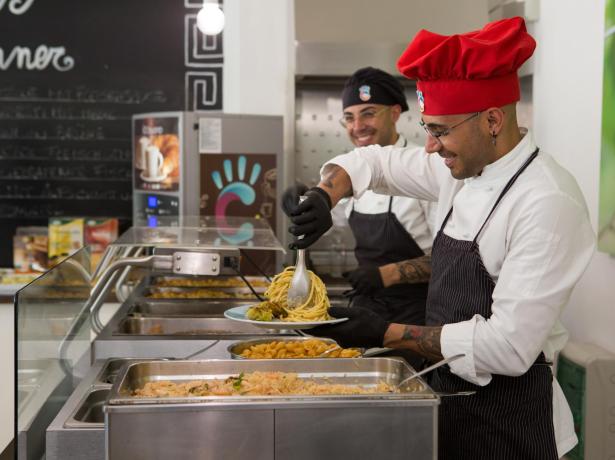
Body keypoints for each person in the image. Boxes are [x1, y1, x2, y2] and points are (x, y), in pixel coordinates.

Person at [287, 17, 595, 460]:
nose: (429, 147)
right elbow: (374, 163)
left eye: (440, 130)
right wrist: (325, 193)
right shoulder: (460, 169)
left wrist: (385, 332)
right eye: (429, 129)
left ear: (492, 120)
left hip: (511, 424)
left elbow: (507, 348)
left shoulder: (546, 200)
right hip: (447, 398)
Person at [283, 68, 435, 364]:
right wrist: (304, 199)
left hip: (418, 318)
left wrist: (383, 275)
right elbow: (330, 221)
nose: (358, 126)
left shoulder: (426, 171)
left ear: (394, 113)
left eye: (368, 114)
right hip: (369, 315)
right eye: (349, 118)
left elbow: (450, 260)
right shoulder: (348, 173)